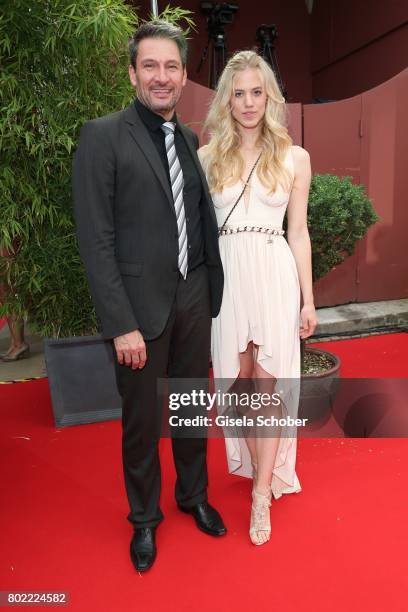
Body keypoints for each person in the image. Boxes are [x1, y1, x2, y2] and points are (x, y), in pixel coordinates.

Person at [73, 20, 226, 573]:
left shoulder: (187, 137)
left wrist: (209, 288)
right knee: (142, 420)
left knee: (189, 406)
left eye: (171, 67)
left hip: (192, 296)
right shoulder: (102, 135)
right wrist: (120, 323)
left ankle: (193, 496)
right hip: (139, 310)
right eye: (150, 66)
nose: (161, 77)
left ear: (185, 76)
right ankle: (144, 520)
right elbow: (97, 238)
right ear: (133, 72)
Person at [198, 50, 317, 545]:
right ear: (227, 100)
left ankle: (261, 492)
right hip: (227, 278)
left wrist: (309, 300)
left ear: (269, 97)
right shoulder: (206, 157)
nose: (248, 102)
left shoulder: (294, 157)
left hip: (272, 275)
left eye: (256, 92)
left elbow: (299, 232)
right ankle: (255, 467)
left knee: (266, 385)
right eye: (239, 93)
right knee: (239, 383)